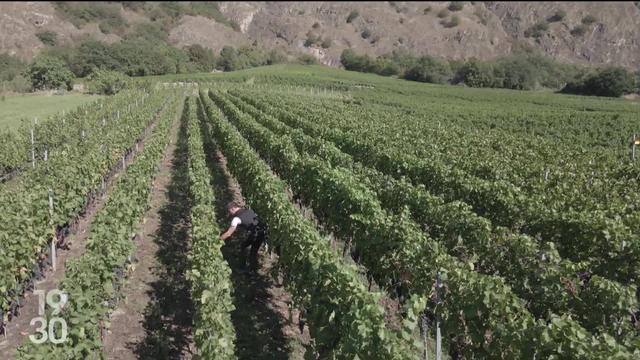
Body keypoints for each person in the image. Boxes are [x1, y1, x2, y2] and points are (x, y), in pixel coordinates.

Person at [220, 201, 266, 273]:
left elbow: (229, 233)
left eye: (229, 211)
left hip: (254, 234)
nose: (230, 213)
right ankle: (253, 270)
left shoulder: (236, 219)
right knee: (253, 251)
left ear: (232, 208)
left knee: (243, 247)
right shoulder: (249, 211)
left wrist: (218, 240)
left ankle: (242, 268)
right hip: (261, 233)